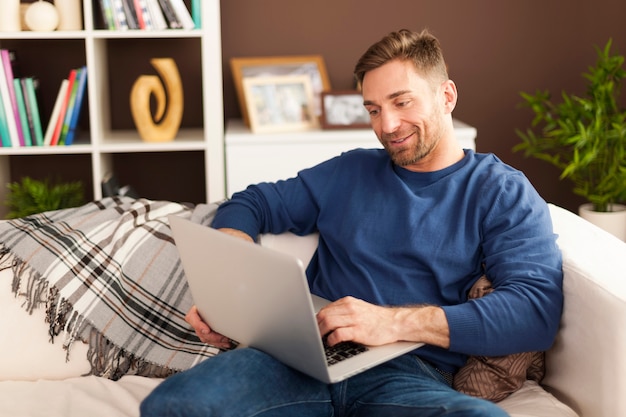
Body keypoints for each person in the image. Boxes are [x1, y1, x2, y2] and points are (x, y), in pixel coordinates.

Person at [140, 29, 563, 417]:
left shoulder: (501, 191)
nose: (387, 126)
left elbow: (534, 311)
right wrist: (231, 271)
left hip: (407, 374)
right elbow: (253, 202)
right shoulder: (350, 171)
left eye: (402, 102)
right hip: (301, 357)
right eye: (374, 109)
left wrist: (392, 322)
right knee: (172, 405)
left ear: (446, 96)